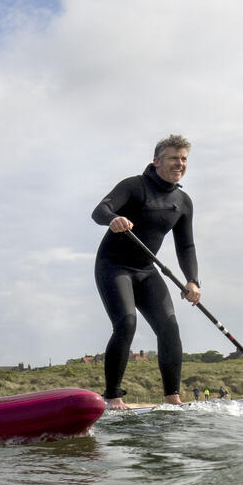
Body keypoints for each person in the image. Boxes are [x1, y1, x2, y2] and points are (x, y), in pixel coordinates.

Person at [92, 135, 201, 411]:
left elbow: (186, 245)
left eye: (184, 158)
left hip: (145, 270)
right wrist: (112, 218)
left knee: (170, 327)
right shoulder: (134, 186)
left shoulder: (183, 201)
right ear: (157, 161)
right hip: (114, 266)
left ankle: (172, 399)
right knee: (126, 323)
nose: (180, 163)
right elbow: (99, 210)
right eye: (174, 158)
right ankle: (113, 397)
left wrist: (192, 280)